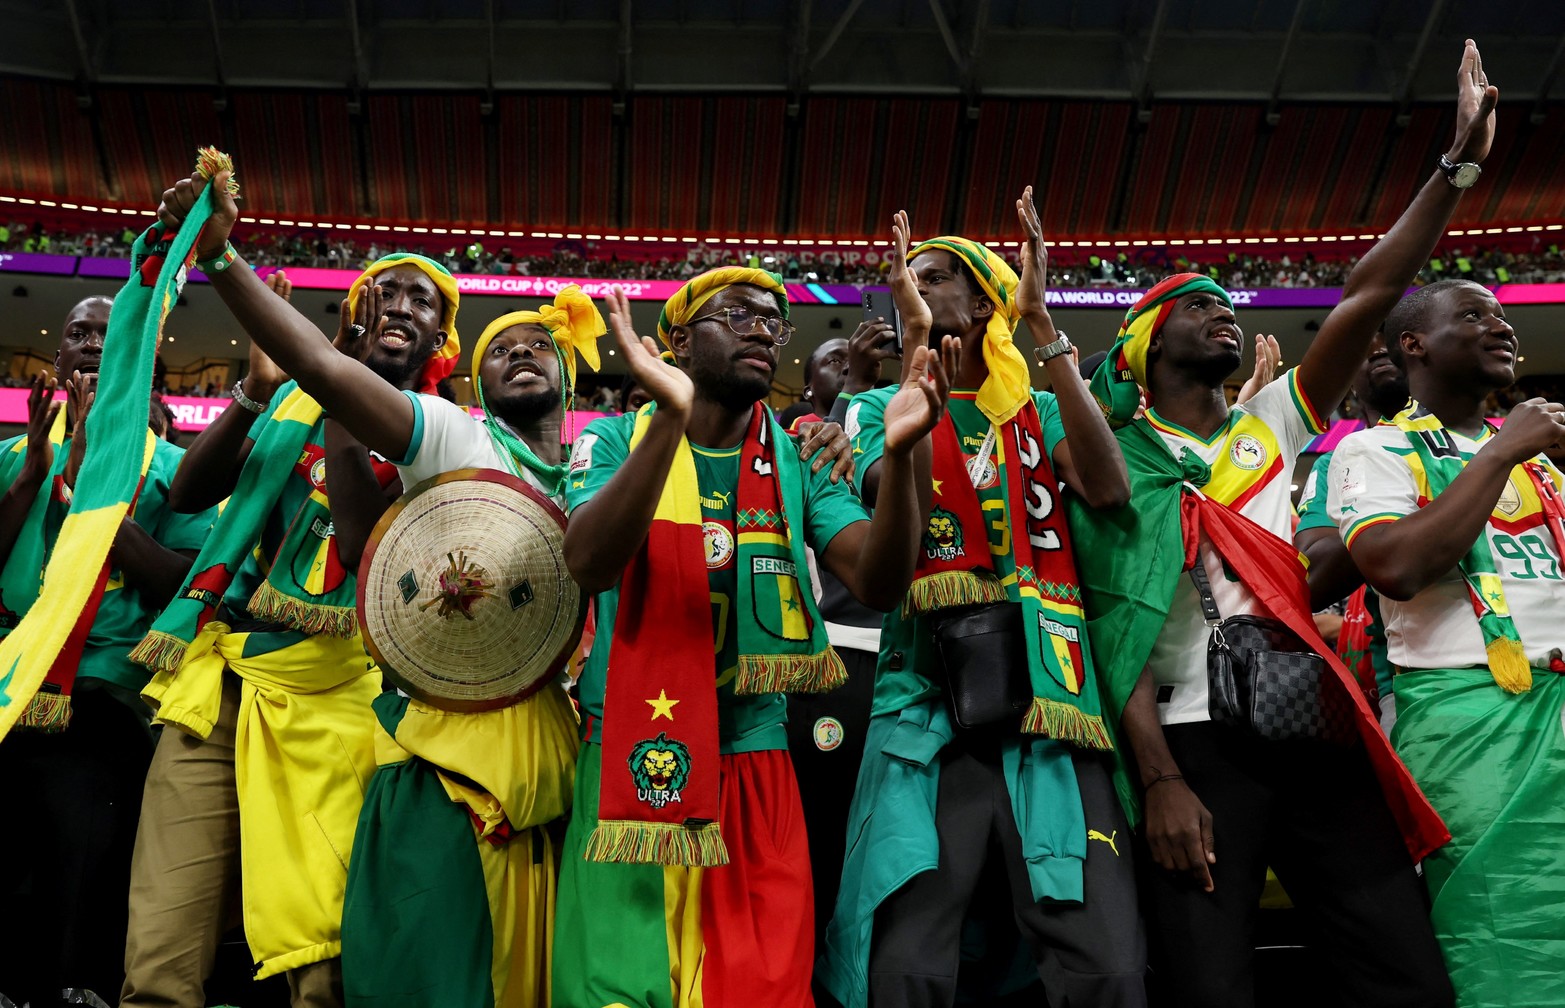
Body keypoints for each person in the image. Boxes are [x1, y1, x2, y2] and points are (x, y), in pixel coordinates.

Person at [1071, 38, 1500, 1008]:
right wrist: (1158, 783)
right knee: (1210, 987)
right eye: (1195, 308)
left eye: (1227, 306)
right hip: (1191, 745)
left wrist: (1453, 168)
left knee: (1401, 972)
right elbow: (1109, 629)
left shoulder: (1271, 423)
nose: (1222, 315)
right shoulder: (1112, 469)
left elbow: (1367, 294)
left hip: (1307, 725)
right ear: (1140, 347)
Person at [148, 170, 589, 1007]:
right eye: (504, 347)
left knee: (461, 971)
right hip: (252, 681)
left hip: (475, 721)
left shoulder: (598, 466)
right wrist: (231, 288)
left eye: (539, 344)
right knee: (176, 955)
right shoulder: (447, 435)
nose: (523, 353)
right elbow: (200, 492)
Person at [554, 252, 954, 1008]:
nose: (763, 330)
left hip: (754, 754)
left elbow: (878, 580)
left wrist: (900, 461)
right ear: (677, 342)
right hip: (630, 754)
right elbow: (588, 563)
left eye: (773, 320)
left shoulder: (798, 454)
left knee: (759, 989)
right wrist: (667, 424)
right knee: (612, 988)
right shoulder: (612, 440)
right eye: (736, 314)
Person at [122, 190, 454, 1005]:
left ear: (443, 340)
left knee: (324, 958)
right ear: (351, 310)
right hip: (221, 674)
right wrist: (256, 392)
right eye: (386, 290)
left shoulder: (440, 431)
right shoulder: (287, 402)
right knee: (161, 949)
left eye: (422, 300)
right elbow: (195, 493)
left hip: (338, 692)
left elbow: (360, 548)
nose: (400, 305)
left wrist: (335, 384)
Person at [823, 193, 1144, 1008]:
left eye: (935, 277)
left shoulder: (1031, 410)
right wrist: (915, 365)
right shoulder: (867, 408)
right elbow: (895, 524)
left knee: (1104, 962)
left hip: (1050, 706)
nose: (912, 286)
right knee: (910, 966)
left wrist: (1042, 329)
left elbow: (1107, 488)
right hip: (924, 710)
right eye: (905, 278)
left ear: (984, 300)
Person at [1328, 277, 1565, 1008]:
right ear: (1412, 344)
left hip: (1557, 698)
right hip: (1469, 714)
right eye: (1471, 314)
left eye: (1500, 315)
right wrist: (1498, 456)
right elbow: (1395, 567)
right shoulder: (1372, 450)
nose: (1499, 325)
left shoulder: (1544, 463)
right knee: (1499, 931)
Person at [0, 299, 216, 1008]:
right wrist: (35, 473)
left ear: (148, 367)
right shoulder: (12, 453)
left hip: (106, 696)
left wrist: (95, 492)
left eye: (112, 334)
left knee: (78, 849)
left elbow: (180, 586)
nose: (93, 345)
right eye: (78, 334)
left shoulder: (182, 471)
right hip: (8, 689)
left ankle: (67, 988)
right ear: (57, 358)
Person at [1293, 334, 1410, 727]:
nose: (1378, 348)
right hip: (1412, 683)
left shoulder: (1493, 447)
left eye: (1390, 337)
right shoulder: (1334, 466)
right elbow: (1313, 580)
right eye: (1365, 345)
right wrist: (1380, 518)